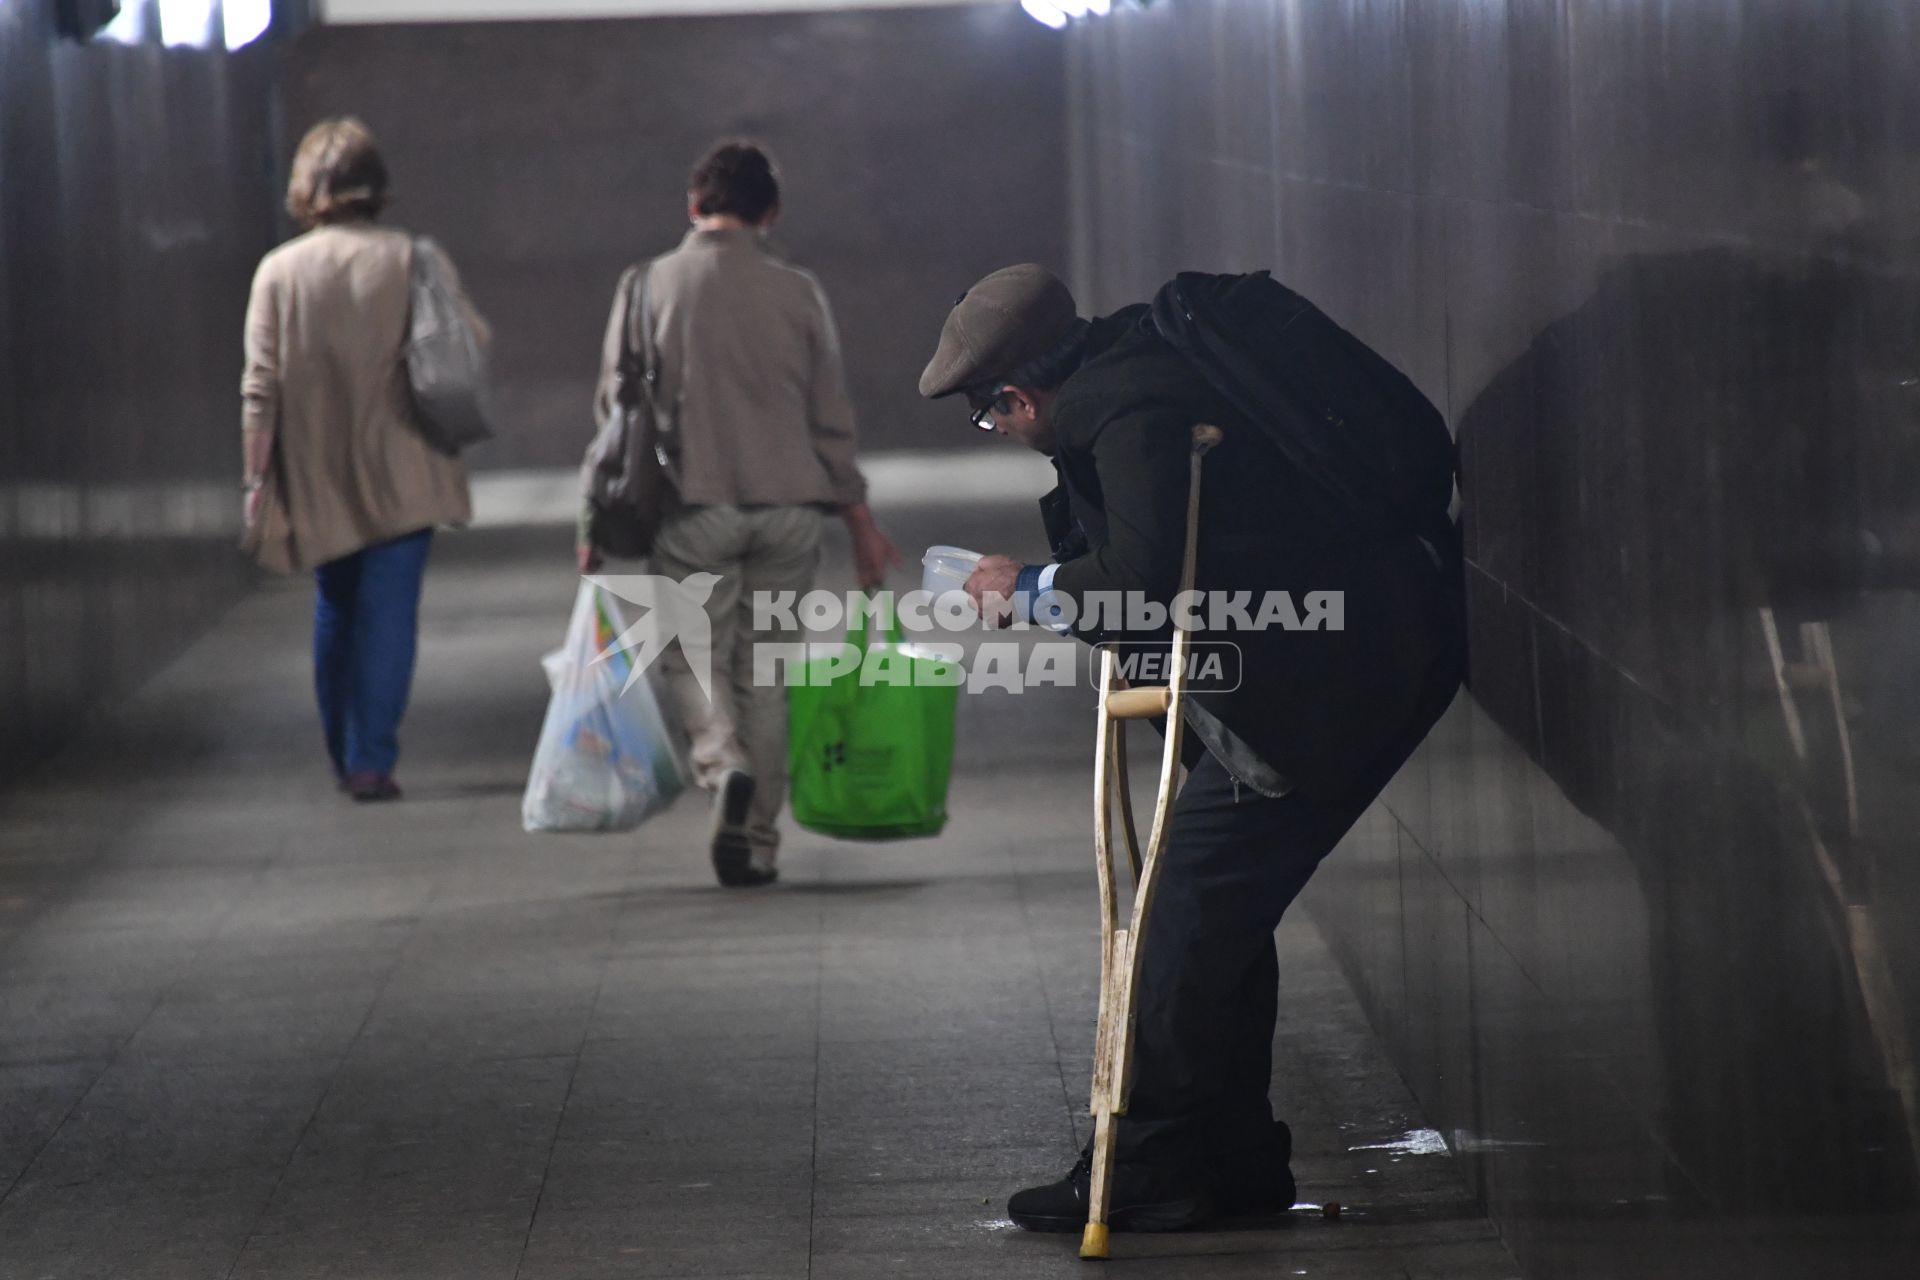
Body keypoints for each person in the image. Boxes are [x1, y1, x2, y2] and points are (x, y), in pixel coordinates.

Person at [918, 264, 1466, 1232]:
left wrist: (1031, 585)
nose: (999, 433)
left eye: (989, 418)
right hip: (1345, 657)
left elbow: (1142, 576)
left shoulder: (1126, 412)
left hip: (1333, 684)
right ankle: (1232, 1158)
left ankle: (1150, 1161)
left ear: (1016, 395)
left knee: (1178, 918)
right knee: (1213, 915)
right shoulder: (1137, 370)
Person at [580, 141, 898, 888]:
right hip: (790, 509)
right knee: (768, 673)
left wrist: (593, 525)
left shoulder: (647, 284)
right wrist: (860, 523)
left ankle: (721, 766)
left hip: (694, 506)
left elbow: (613, 413)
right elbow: (831, 417)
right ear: (771, 213)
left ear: (694, 206)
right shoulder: (800, 291)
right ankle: (757, 842)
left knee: (692, 655)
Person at [241, 117, 481, 803]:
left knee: (335, 606)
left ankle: (341, 751)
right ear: (376, 185)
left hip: (318, 466)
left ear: (306, 187)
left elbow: (259, 386)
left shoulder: (279, 273)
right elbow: (468, 345)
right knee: (390, 614)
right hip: (407, 461)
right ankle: (372, 757)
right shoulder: (414, 259)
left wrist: (257, 478)